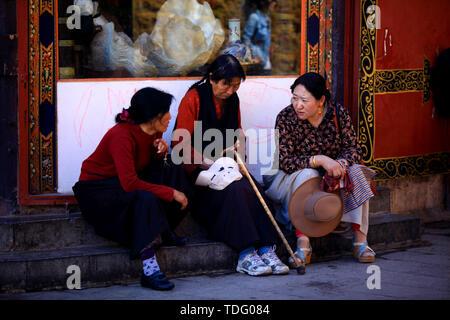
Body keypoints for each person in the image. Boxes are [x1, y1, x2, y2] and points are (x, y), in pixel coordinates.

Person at [171, 54, 289, 276]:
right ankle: (245, 254)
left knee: (253, 189)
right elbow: (180, 144)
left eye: (235, 86)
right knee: (236, 190)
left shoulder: (233, 100)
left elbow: (238, 134)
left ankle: (265, 249)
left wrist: (239, 153)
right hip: (200, 176)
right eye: (226, 84)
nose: (230, 90)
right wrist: (208, 163)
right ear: (213, 78)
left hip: (225, 168)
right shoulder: (194, 98)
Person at [72, 87, 193, 291]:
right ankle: (149, 267)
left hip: (123, 181)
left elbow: (144, 164)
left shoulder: (155, 130)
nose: (170, 116)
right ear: (152, 116)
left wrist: (159, 152)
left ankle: (163, 228)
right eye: (166, 112)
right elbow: (130, 183)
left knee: (174, 167)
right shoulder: (121, 136)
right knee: (145, 198)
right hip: (98, 190)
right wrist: (171, 192)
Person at [263, 72, 376, 268]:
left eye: (304, 100)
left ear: (321, 100)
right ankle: (303, 244)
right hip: (287, 180)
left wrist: (340, 164)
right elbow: (286, 161)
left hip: (329, 181)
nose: (297, 105)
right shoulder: (286, 117)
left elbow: (354, 149)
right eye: (295, 98)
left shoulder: (338, 114)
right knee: (309, 174)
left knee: (357, 171)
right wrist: (320, 160)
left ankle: (360, 241)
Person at [242, 0, 277, 74]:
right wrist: (255, 56)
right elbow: (246, 39)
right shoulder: (254, 18)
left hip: (266, 64)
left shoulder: (267, 19)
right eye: (272, 1)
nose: (274, 3)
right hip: (257, 65)